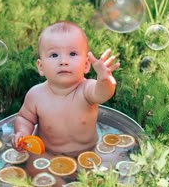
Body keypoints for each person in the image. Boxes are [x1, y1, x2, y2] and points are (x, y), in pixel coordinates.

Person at [13, 20, 120, 158]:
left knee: (101, 170)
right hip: (47, 153)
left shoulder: (86, 90)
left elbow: (103, 93)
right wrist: (22, 133)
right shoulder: (36, 95)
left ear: (86, 65)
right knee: (35, 171)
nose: (63, 61)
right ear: (41, 67)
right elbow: (25, 118)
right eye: (54, 55)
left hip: (88, 152)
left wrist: (105, 79)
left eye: (72, 54)